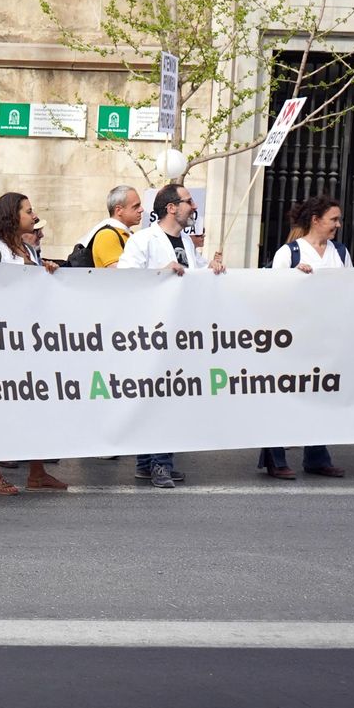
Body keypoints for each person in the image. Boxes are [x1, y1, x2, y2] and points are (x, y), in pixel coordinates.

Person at [119, 184, 226, 489]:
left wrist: (213, 267)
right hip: (151, 333)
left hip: (180, 332)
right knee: (161, 399)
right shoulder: (143, 240)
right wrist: (160, 272)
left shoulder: (188, 245)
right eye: (189, 201)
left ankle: (146, 463)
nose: (194, 206)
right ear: (171, 208)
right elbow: (124, 280)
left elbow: (198, 276)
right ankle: (160, 465)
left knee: (164, 397)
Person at [257, 195, 354, 479]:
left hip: (325, 337)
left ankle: (317, 456)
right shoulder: (290, 253)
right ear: (315, 220)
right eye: (333, 219)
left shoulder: (340, 252)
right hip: (293, 338)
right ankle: (275, 457)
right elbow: (271, 292)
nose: (338, 225)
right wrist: (294, 277)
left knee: (320, 395)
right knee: (285, 395)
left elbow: (350, 290)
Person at [0, 192, 66, 494]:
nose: (33, 215)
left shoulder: (27, 250)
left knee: (37, 403)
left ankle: (37, 472)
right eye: (28, 211)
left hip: (31, 339)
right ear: (11, 216)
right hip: (5, 340)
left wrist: (47, 272)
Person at [69, 185, 140, 268]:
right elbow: (121, 274)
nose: (141, 209)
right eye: (136, 206)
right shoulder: (107, 235)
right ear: (119, 210)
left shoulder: (126, 233)